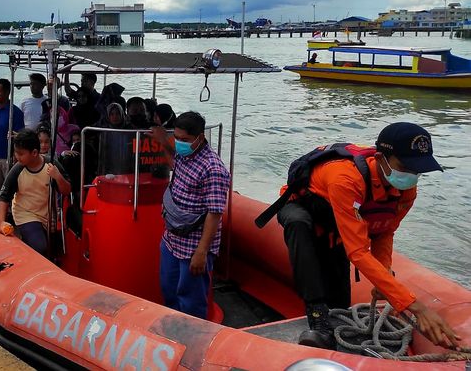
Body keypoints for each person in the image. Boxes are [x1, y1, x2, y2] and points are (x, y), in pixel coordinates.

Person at [276, 122, 461, 350]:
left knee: (340, 300)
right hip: (304, 207)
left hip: (338, 220)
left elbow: (384, 231)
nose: (411, 175)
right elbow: (358, 251)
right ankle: (317, 316)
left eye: (417, 170)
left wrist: (384, 274)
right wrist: (415, 306)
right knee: (298, 224)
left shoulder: (406, 190)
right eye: (405, 166)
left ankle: (334, 314)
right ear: (381, 158)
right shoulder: (345, 178)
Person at [150, 111, 230, 319]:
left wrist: (202, 252)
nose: (178, 143)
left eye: (184, 140)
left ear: (200, 138)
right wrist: (162, 140)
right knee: (168, 288)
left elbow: (215, 213)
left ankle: (194, 343)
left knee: (191, 299)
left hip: (194, 245)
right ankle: (175, 333)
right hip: (172, 239)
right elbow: (174, 161)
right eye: (176, 138)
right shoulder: (185, 155)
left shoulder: (213, 169)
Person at [0, 129, 71, 256]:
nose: (16, 156)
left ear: (35, 153)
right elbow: (3, 197)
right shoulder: (17, 169)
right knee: (40, 246)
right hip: (25, 214)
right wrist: (1, 222)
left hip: (47, 215)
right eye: (16, 153)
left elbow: (67, 190)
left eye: (21, 154)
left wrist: (58, 177)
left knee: (54, 251)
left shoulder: (51, 165)